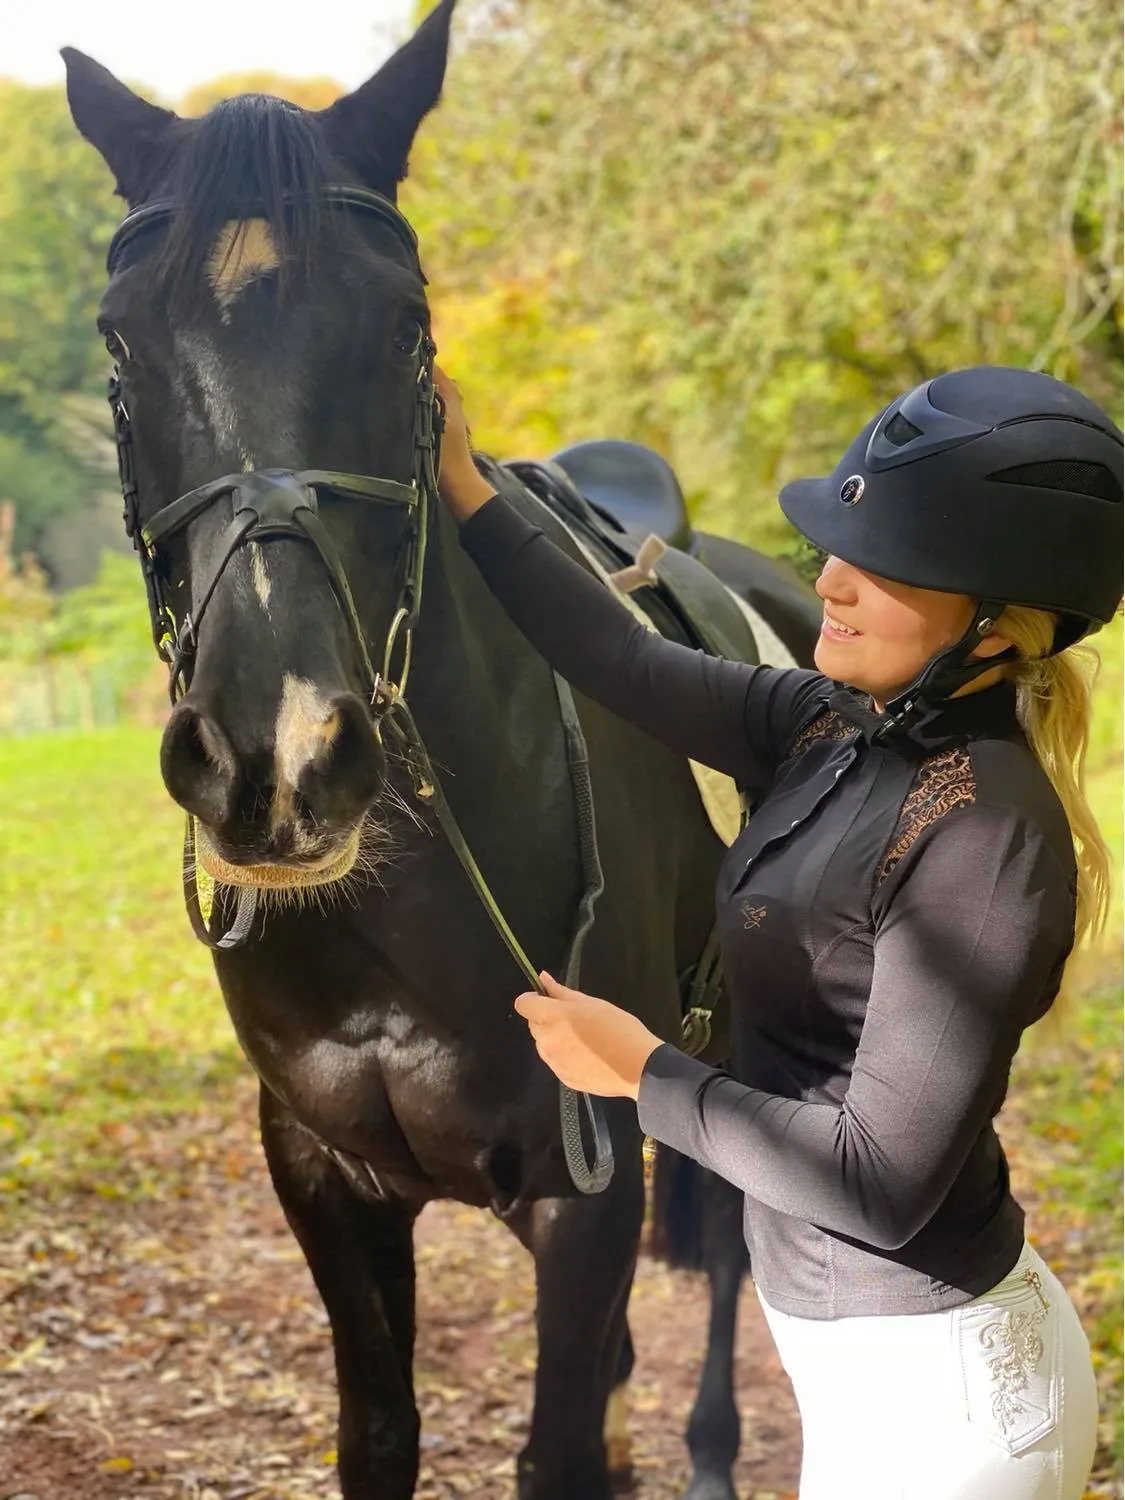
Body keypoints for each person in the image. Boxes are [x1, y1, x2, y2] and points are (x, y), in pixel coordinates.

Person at [432, 363, 1122, 1500]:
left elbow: (878, 1184)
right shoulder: (831, 728)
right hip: (859, 1367)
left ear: (999, 630)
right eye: (839, 548)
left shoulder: (987, 842)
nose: (833, 582)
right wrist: (465, 481)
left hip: (946, 1404)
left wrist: (638, 1070)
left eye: (892, 566)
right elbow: (619, 658)